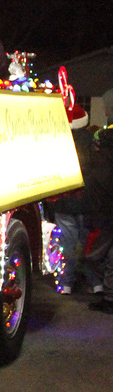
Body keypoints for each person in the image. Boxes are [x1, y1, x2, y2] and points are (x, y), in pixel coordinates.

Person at [51, 103, 93, 293]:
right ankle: (95, 283)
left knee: (65, 244)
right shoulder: (94, 143)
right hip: (88, 202)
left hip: (64, 202)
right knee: (89, 244)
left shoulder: (57, 140)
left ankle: (65, 283)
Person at [83, 125, 113, 313]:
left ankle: (108, 295)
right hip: (107, 216)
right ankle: (109, 296)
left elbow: (92, 193)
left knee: (93, 255)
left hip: (103, 217)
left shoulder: (95, 162)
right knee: (109, 257)